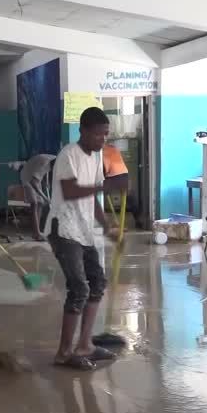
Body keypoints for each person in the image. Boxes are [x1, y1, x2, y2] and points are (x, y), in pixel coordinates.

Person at [45, 107, 127, 370]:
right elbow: (70, 191)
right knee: (79, 288)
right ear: (83, 131)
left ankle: (85, 345)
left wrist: (107, 227)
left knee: (98, 283)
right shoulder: (68, 155)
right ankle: (63, 353)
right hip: (63, 229)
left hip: (83, 230)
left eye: (106, 135)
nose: (103, 140)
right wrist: (104, 187)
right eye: (99, 134)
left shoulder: (96, 156)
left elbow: (92, 198)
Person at [19, 153, 56, 241]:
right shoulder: (44, 163)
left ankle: (37, 232)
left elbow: (48, 170)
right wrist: (45, 197)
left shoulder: (56, 160)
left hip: (35, 176)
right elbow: (33, 182)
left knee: (40, 203)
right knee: (34, 203)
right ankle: (36, 233)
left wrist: (47, 181)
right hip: (27, 176)